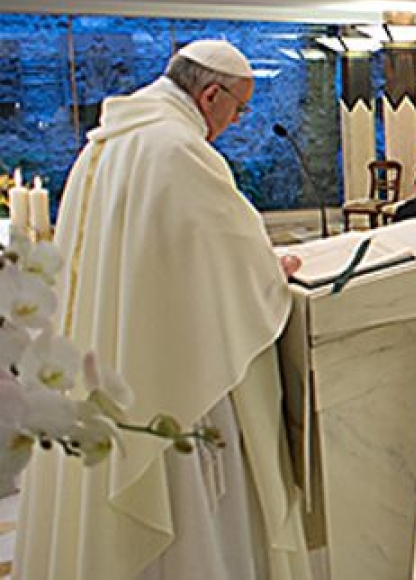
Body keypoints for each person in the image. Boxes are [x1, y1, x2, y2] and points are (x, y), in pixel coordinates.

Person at [15, 41, 312, 579]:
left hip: (109, 351)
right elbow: (233, 260)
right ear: (210, 94)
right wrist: (271, 271)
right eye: (238, 109)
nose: (235, 121)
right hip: (170, 365)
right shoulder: (178, 149)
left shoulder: (105, 144)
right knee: (187, 516)